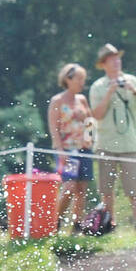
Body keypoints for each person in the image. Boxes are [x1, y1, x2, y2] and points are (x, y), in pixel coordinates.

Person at [89, 44, 136, 234]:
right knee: (106, 189)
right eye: (111, 59)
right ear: (104, 64)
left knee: (134, 189)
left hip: (130, 144)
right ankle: (109, 223)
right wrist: (109, 93)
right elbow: (96, 115)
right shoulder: (98, 86)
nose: (117, 61)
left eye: (118, 57)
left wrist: (133, 91)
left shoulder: (133, 80)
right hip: (106, 144)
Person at [48, 63, 94, 232]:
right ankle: (56, 221)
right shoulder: (57, 101)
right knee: (69, 187)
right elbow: (53, 128)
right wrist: (59, 150)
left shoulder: (82, 99)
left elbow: (90, 122)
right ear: (68, 79)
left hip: (83, 149)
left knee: (82, 188)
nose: (82, 82)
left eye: (84, 79)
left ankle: (77, 225)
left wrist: (89, 137)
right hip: (67, 150)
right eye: (79, 78)